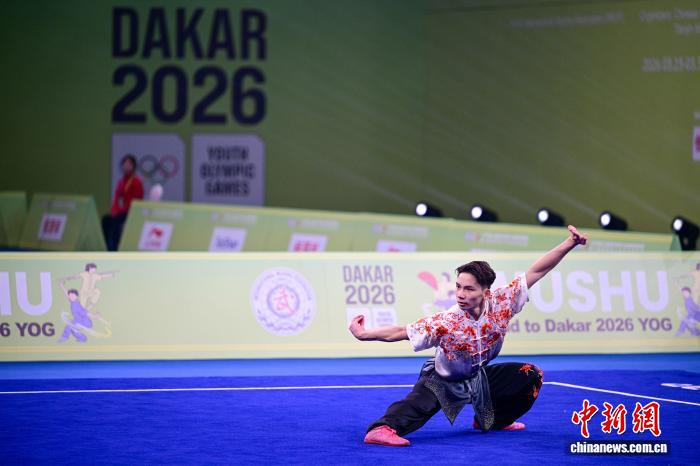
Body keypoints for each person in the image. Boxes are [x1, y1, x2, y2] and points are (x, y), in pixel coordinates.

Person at [349, 225, 588, 447]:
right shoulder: (447, 322)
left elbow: (538, 270)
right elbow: (402, 331)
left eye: (469, 288)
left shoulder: (503, 301)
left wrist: (570, 243)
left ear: (486, 292)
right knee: (416, 406)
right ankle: (382, 429)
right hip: (443, 380)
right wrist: (364, 334)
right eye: (458, 287)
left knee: (531, 375)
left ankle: (493, 421)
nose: (460, 294)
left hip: (477, 377)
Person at [102, 154, 144, 251]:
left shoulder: (137, 181)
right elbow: (117, 198)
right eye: (124, 164)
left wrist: (121, 211)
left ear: (133, 167)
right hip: (120, 211)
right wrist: (114, 210)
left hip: (130, 211)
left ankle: (115, 248)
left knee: (116, 222)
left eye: (129, 164)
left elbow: (136, 201)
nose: (126, 167)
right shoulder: (121, 182)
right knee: (105, 220)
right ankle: (107, 246)